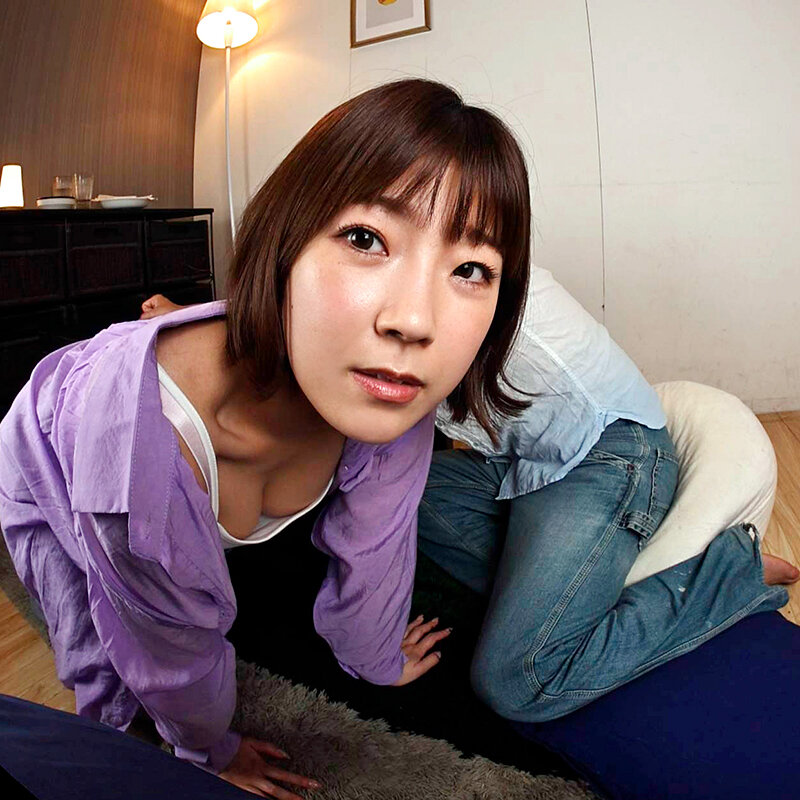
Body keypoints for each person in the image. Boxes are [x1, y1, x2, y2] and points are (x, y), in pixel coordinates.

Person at [0, 79, 534, 799]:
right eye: (366, 238)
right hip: (46, 449)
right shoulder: (137, 460)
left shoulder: (394, 391)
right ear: (285, 242)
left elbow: (377, 547)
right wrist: (210, 750)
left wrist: (376, 656)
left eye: (471, 270)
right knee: (100, 646)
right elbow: (170, 651)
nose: (415, 321)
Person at [420, 262, 798, 724]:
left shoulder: (459, 277)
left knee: (516, 680)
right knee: (413, 498)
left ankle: (728, 574)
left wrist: (373, 654)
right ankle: (570, 604)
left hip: (608, 454)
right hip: (534, 460)